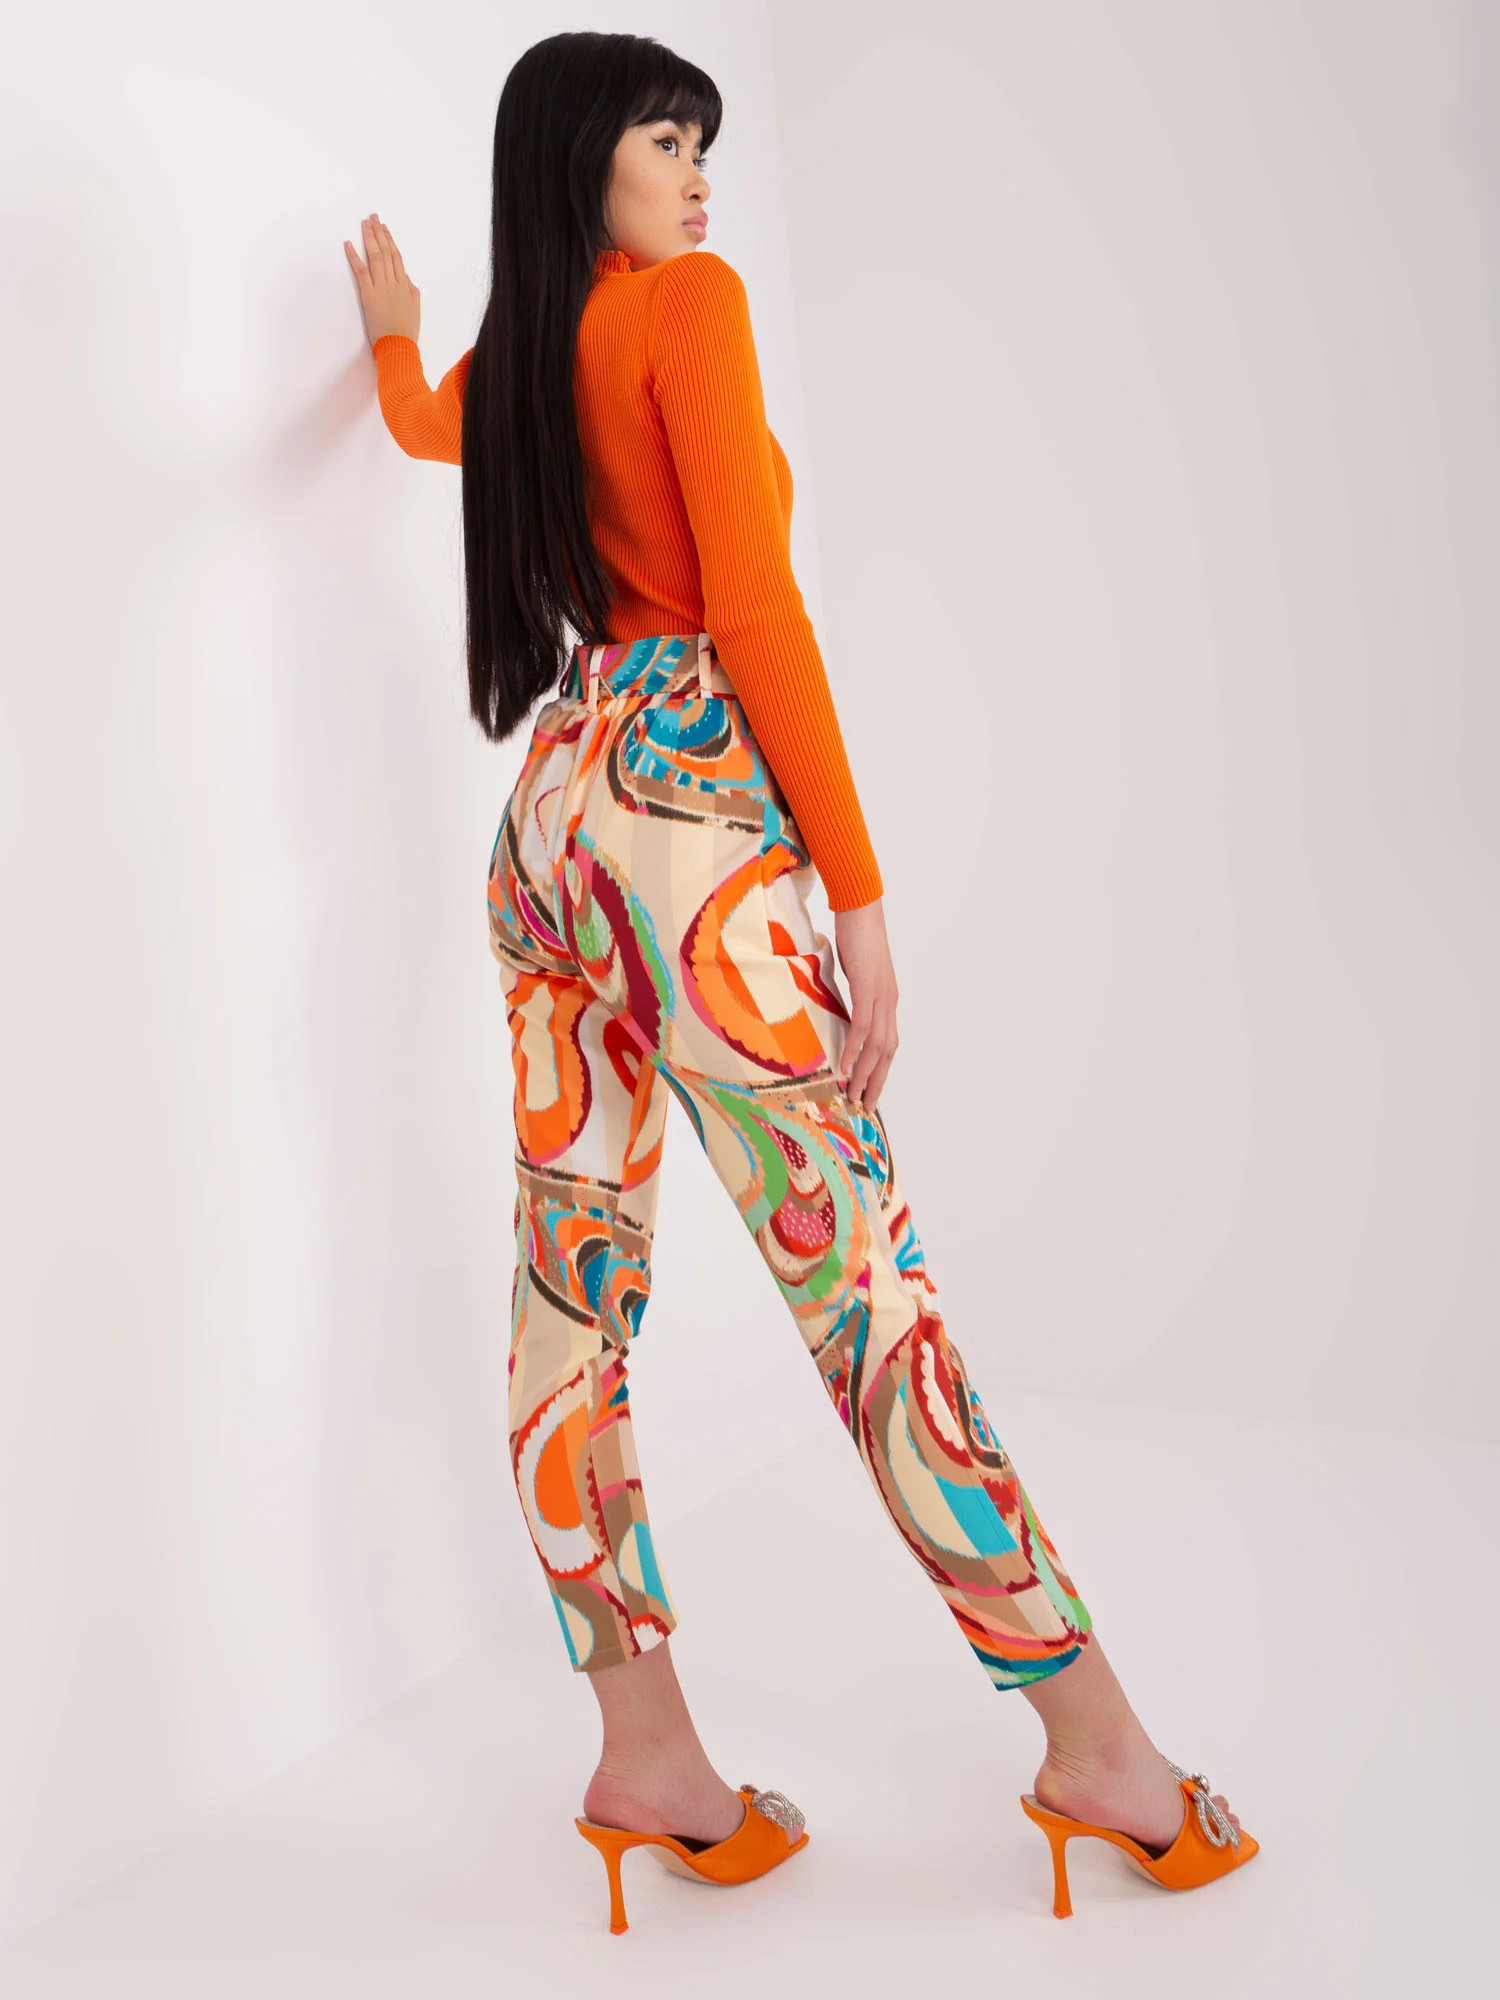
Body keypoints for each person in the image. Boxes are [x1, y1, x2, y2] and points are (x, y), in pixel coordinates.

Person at [344, 28, 1257, 1931]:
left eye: (707, 144)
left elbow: (431, 427)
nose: (699, 174)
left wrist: (393, 343)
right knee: (869, 1304)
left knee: (568, 1291)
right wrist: (855, 891)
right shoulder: (684, 308)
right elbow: (752, 603)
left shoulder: (528, 344)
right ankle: (1097, 1746)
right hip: (694, 836)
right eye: (664, 140)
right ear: (582, 155)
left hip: (553, 818)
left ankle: (644, 1753)